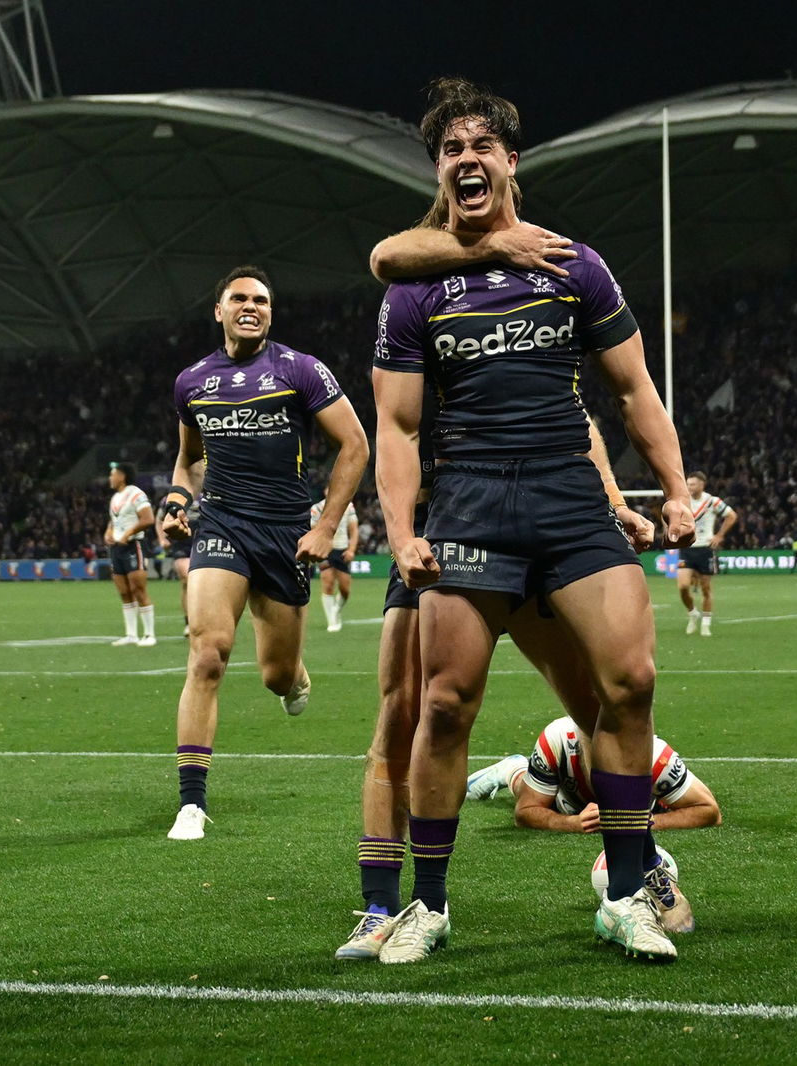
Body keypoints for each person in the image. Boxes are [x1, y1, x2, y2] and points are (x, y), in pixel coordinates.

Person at [368, 77, 693, 963]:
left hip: (568, 496)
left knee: (628, 685)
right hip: (469, 498)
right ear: (441, 170)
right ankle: (426, 907)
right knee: (445, 704)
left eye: (482, 147)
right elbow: (394, 427)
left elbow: (633, 389)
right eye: (450, 150)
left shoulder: (572, 263)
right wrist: (400, 530)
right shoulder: (414, 288)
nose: (466, 160)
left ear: (512, 161)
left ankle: (627, 893)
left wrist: (673, 488)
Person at [160, 265, 369, 842]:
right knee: (208, 654)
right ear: (219, 310)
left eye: (261, 300)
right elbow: (188, 459)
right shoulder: (193, 381)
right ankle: (191, 803)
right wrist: (178, 500)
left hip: (284, 534)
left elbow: (355, 444)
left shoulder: (300, 370)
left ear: (270, 313)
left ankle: (295, 678)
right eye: (239, 298)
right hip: (222, 522)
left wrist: (326, 526)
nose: (251, 306)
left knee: (276, 675)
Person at [466, 718, 722, 837]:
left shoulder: (654, 757)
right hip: (568, 801)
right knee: (530, 790)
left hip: (639, 808)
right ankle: (512, 769)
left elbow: (710, 811)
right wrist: (573, 824)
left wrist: (645, 822)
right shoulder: (557, 740)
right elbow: (525, 813)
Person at [677, 471, 736, 636]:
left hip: (705, 549)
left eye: (693, 484)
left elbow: (731, 516)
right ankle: (692, 613)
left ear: (702, 485)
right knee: (682, 586)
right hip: (686, 548)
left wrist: (720, 535)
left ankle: (705, 623)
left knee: (706, 588)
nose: (689, 487)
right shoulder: (683, 501)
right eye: (688, 484)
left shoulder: (711, 501)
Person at [104, 461, 156, 647]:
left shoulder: (136, 493)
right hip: (117, 548)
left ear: (122, 476)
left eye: (113, 474)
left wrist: (128, 534)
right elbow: (115, 520)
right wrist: (109, 532)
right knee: (124, 592)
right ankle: (131, 634)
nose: (110, 478)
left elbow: (148, 519)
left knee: (138, 590)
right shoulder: (115, 498)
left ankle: (150, 634)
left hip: (134, 545)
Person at [310, 494, 359, 633]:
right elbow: (313, 530)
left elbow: (354, 529)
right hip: (325, 549)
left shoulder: (348, 506)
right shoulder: (317, 508)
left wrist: (351, 550)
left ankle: (336, 610)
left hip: (342, 550)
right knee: (328, 583)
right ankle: (332, 621)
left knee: (345, 589)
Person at [158, 493, 199, 638]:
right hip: (181, 542)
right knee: (188, 578)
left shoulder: (209, 492)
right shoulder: (172, 497)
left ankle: (200, 619)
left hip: (203, 540)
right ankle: (190, 622)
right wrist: (162, 539)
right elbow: (159, 519)